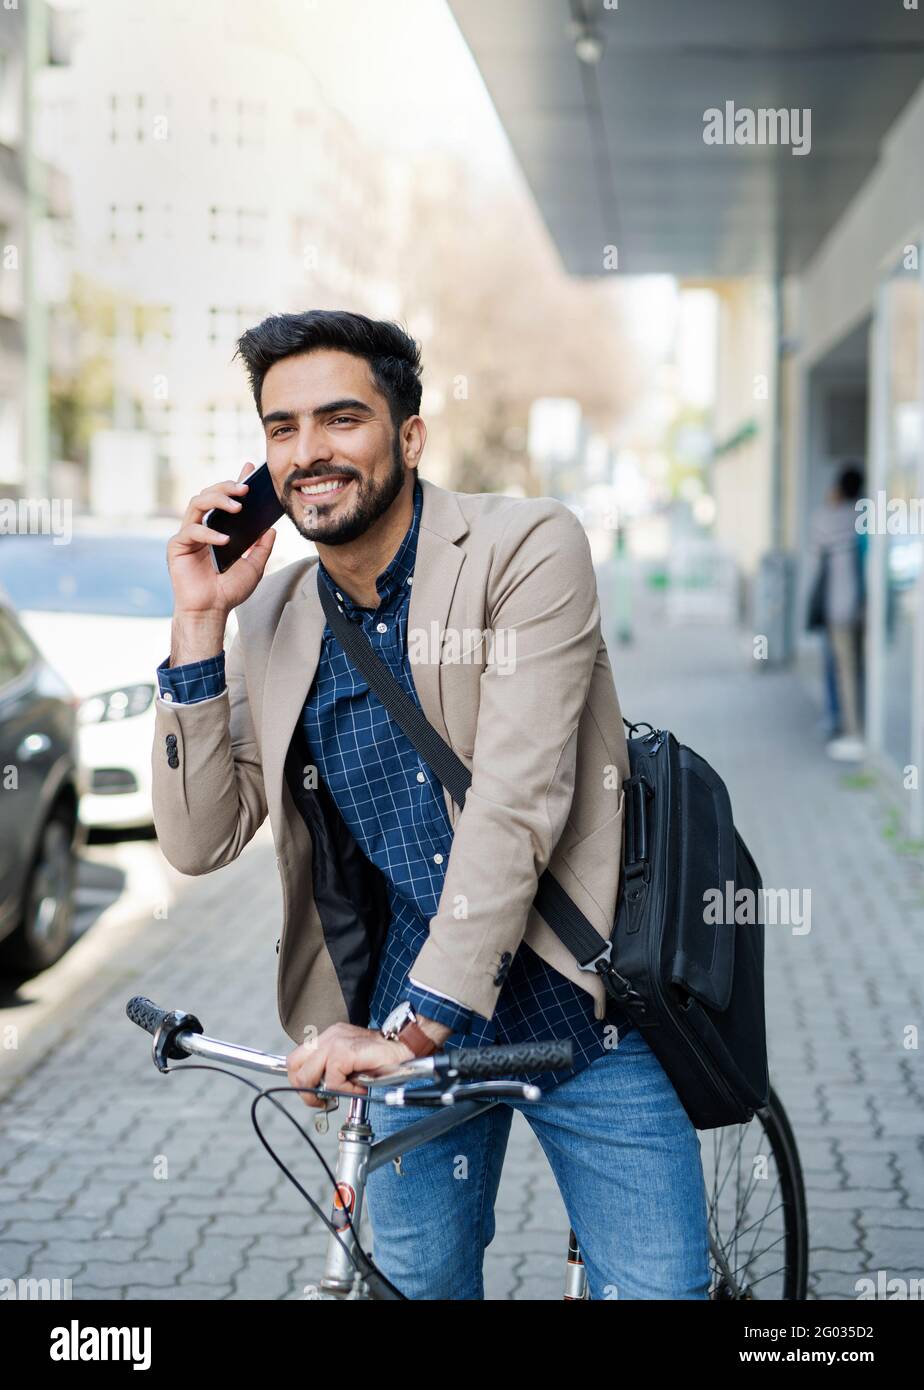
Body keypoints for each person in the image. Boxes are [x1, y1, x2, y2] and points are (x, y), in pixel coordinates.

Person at [150, 309, 711, 1300]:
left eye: (340, 419)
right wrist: (200, 622)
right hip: (403, 1018)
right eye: (282, 428)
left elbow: (515, 800)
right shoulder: (274, 615)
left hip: (578, 1003)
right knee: (413, 1285)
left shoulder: (527, 547)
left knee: (661, 1288)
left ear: (409, 435)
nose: (309, 452)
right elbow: (199, 838)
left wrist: (411, 1033)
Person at [808, 463, 866, 761]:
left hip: (838, 608)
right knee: (857, 667)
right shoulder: (863, 517)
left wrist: (831, 503)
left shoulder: (828, 518)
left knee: (840, 669)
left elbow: (816, 546)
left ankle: (851, 730)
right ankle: (853, 723)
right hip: (864, 608)